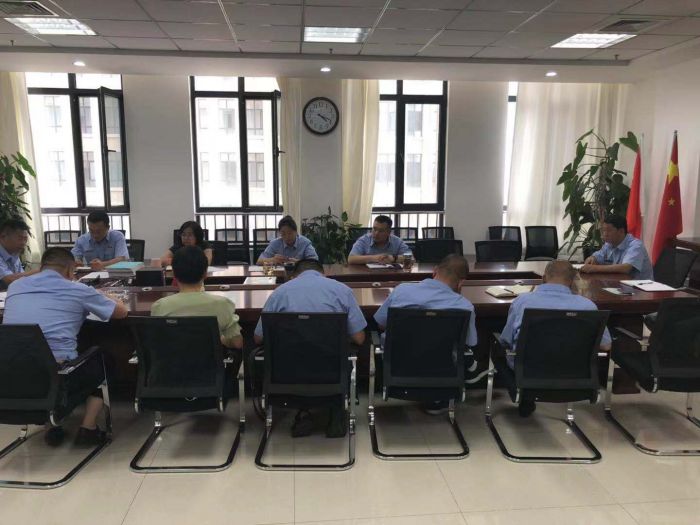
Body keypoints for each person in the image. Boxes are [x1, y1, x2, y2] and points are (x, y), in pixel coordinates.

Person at [2, 247, 129, 446]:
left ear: (42, 267)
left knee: (40, 352)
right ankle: (88, 428)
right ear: (71, 271)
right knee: (105, 359)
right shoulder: (78, 290)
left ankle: (52, 427)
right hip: (58, 380)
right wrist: (102, 294)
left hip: (10, 378)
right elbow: (121, 312)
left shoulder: (16, 287)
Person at [254, 259, 366, 438]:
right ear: (323, 274)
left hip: (287, 374)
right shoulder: (342, 291)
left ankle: (304, 411)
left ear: (294, 276)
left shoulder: (279, 292)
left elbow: (258, 338)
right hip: (331, 373)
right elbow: (359, 338)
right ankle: (334, 409)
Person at [500, 260, 612, 417]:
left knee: (498, 349)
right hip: (575, 374)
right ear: (572, 281)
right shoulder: (588, 307)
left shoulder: (523, 301)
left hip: (529, 372)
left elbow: (506, 340)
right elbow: (606, 346)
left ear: (543, 278)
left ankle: (525, 398)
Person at [374, 254, 484, 413]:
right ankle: (440, 397)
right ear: (461, 282)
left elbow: (381, 323)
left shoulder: (401, 290)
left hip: (398, 365)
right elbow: (469, 342)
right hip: (440, 369)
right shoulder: (464, 306)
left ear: (434, 271)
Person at [151, 246, 243, 351]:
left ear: (174, 274)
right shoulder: (223, 304)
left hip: (172, 361)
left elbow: (157, 342)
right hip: (209, 361)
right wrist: (220, 338)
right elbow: (237, 343)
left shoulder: (160, 306)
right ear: (205, 273)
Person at [580, 215, 653, 280]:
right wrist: (592, 258)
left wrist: (594, 268)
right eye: (603, 230)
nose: (605, 234)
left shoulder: (636, 245)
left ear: (621, 231)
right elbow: (598, 256)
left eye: (608, 230)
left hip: (641, 289)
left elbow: (625, 268)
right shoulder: (609, 244)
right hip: (620, 285)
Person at [347, 215, 413, 265]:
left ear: (388, 232)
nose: (376, 233)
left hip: (391, 276)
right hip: (368, 275)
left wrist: (393, 258)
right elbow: (351, 259)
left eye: (381, 231)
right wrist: (375, 258)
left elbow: (412, 259)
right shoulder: (364, 240)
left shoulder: (397, 241)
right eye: (374, 229)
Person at [0, 218, 39, 289]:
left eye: (25, 239)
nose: (23, 243)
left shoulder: (14, 253)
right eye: (20, 239)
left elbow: (21, 277)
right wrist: (42, 270)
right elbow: (8, 280)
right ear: (3, 237)